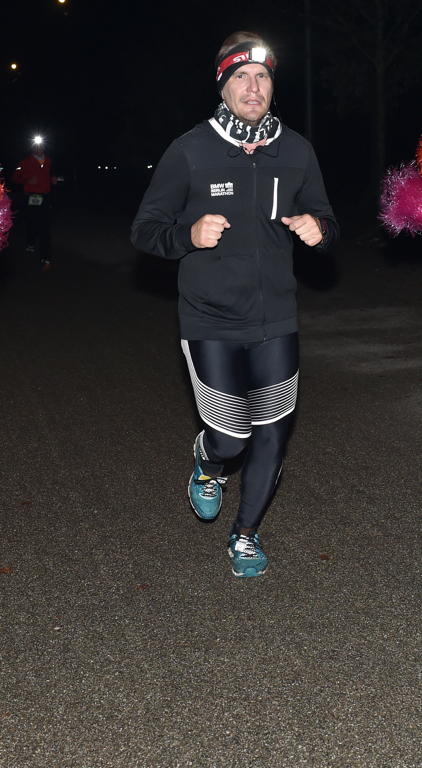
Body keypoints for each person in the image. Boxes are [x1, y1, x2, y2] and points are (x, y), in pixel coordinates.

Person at [131, 32, 338, 578]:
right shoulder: (190, 150)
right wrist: (187, 234)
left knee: (272, 430)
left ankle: (244, 534)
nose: (254, 87)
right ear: (223, 86)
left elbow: (327, 217)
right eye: (241, 77)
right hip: (211, 318)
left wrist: (321, 229)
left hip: (277, 320)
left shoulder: (296, 150)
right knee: (232, 434)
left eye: (263, 77)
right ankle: (208, 461)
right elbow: (145, 230)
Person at [13, 137, 55, 269]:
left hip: (45, 198)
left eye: (41, 146)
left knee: (45, 228)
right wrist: (27, 181)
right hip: (31, 198)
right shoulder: (24, 162)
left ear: (44, 147)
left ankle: (46, 259)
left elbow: (46, 176)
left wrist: (52, 180)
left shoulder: (48, 161)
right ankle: (30, 246)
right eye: (36, 146)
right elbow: (15, 177)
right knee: (32, 226)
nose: (39, 148)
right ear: (32, 148)